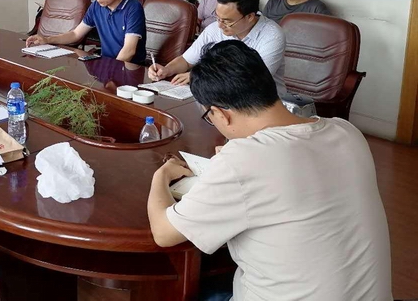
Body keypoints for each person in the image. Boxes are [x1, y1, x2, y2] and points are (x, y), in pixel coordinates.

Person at [147, 41, 392, 301]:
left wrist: (161, 176)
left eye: (209, 117)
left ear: (220, 114)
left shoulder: (243, 160)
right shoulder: (347, 132)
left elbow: (164, 233)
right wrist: (240, 160)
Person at [149, 0, 286, 95]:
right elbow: (186, 61)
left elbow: (251, 81)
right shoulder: (215, 28)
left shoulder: (271, 35)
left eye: (227, 21)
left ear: (250, 17)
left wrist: (199, 76)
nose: (220, 25)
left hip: (262, 101)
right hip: (220, 97)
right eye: (217, 17)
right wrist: (166, 70)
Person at [26, 0, 146, 64]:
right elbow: (75, 34)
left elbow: (129, 50)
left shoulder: (133, 8)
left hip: (130, 67)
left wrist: (112, 72)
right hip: (107, 62)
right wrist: (47, 40)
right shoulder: (96, 6)